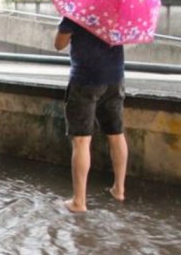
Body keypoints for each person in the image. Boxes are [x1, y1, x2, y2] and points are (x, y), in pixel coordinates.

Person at [54, 17, 128, 213]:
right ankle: (119, 189)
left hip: (85, 79)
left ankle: (79, 202)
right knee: (116, 134)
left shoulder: (78, 11)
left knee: (81, 141)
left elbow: (59, 44)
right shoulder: (117, 9)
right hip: (115, 78)